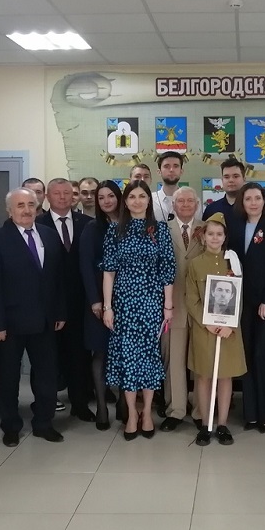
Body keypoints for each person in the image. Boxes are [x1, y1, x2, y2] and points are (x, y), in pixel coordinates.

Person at [0, 188, 67, 447]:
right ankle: (10, 426)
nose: (27, 210)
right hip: (9, 324)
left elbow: (58, 279)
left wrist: (60, 312)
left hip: (45, 320)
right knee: (8, 377)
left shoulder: (49, 236)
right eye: (20, 205)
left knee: (46, 375)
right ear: (9, 210)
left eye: (31, 204)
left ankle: (44, 423)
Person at [102, 180, 176, 440]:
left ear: (148, 200)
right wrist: (108, 307)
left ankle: (147, 414)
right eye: (132, 196)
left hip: (152, 303)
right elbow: (109, 271)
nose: (137, 201)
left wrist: (168, 306)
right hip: (124, 303)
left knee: (149, 358)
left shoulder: (160, 229)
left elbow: (167, 270)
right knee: (128, 359)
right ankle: (132, 413)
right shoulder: (115, 230)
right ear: (125, 201)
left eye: (141, 196)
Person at [185, 214, 247, 446]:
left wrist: (231, 325)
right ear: (203, 237)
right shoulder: (195, 264)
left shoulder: (232, 262)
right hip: (205, 330)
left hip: (229, 331)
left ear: (224, 237)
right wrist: (207, 323)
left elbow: (239, 296)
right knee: (203, 376)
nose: (214, 238)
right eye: (210, 233)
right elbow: (191, 299)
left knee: (225, 376)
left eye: (219, 234)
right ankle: (205, 424)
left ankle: (222, 424)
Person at [229, 182, 265, 432]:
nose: (253, 203)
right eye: (248, 198)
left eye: (257, 198)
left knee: (264, 355)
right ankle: (250, 414)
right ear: (242, 202)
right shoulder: (234, 225)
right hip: (240, 302)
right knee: (246, 356)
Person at [43, 177, 95, 422]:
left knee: (79, 356)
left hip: (80, 302)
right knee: (48, 357)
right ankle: (46, 405)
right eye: (57, 193)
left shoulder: (87, 224)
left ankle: (80, 403)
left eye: (67, 193)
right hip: (49, 303)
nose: (63, 197)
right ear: (47, 197)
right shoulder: (38, 224)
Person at [79, 181, 123, 430]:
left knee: (125, 350)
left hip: (126, 296)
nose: (107, 201)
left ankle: (124, 402)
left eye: (111, 196)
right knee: (100, 351)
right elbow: (85, 265)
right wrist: (95, 300)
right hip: (99, 297)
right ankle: (102, 407)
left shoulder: (129, 224)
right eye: (102, 197)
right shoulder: (92, 228)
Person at [161, 186, 204, 432]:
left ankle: (200, 410)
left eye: (190, 201)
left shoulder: (207, 229)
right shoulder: (161, 230)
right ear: (173, 205)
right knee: (174, 359)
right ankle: (176, 410)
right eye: (181, 201)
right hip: (173, 304)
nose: (186, 205)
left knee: (200, 360)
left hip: (200, 305)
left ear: (197, 205)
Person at [202, 156, 245, 221]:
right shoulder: (211, 209)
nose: (231, 180)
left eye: (235, 176)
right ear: (222, 180)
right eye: (226, 177)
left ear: (244, 179)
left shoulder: (253, 208)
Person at [153, 151, 187, 222]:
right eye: (166, 166)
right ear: (159, 172)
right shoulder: (149, 200)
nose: (171, 170)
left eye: (176, 166)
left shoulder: (192, 201)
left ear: (181, 171)